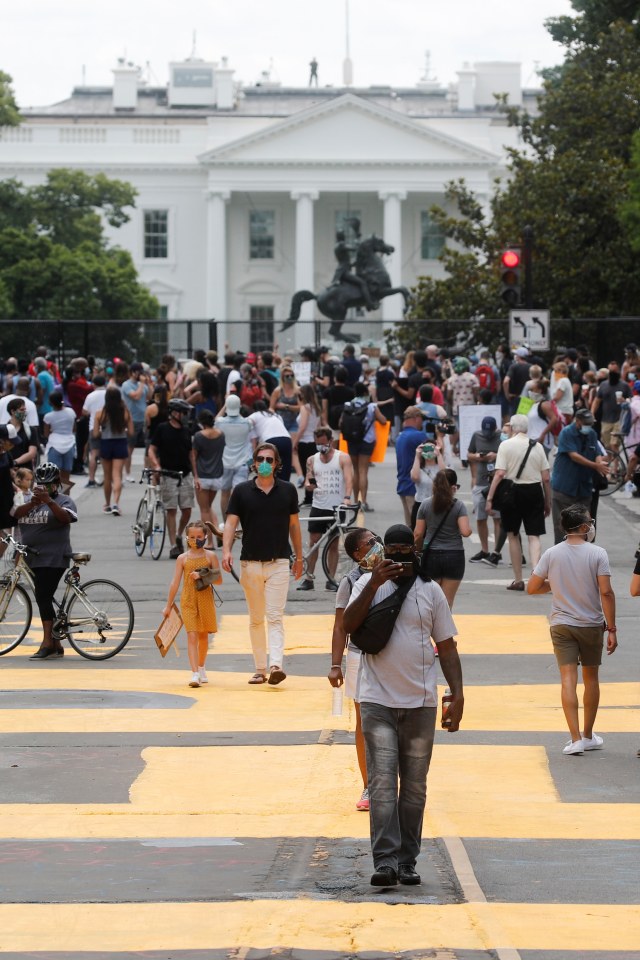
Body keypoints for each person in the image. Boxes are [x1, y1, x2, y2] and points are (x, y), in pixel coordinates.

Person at [343, 523, 464, 887]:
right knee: (382, 785)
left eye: (403, 549)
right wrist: (376, 584)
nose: (397, 556)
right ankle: (385, 861)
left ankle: (407, 861)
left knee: (414, 788)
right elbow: (348, 625)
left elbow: (448, 644)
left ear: (414, 550)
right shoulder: (367, 584)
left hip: (421, 703)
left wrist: (457, 694)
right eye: (391, 550)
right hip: (377, 699)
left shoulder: (431, 592)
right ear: (383, 551)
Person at [527, 503, 617, 755]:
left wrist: (555, 585)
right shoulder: (598, 554)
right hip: (590, 624)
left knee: (568, 679)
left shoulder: (552, 554)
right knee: (591, 679)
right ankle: (588, 734)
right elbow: (606, 592)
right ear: (585, 527)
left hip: (561, 624)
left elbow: (532, 587)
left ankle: (575, 737)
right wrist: (612, 628)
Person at [222, 442, 303, 685]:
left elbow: (295, 526)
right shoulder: (241, 491)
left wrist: (299, 557)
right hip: (250, 564)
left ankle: (276, 664)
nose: (264, 464)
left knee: (275, 616)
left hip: (278, 562)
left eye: (269, 459)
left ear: (277, 464)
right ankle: (260, 668)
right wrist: (226, 550)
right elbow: (230, 523)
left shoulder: (288, 490)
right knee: (256, 618)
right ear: (253, 463)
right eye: (260, 459)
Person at [328, 526, 383, 812]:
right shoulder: (350, 582)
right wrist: (336, 665)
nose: (378, 545)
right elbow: (340, 627)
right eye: (371, 543)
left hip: (390, 657)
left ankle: (388, 781)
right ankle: (369, 785)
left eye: (377, 540)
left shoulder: (395, 573)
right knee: (365, 724)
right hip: (359, 658)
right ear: (357, 553)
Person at [11, 462, 77, 660]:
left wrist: (49, 501)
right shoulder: (30, 501)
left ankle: (47, 642)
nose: (44, 488)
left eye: (49, 484)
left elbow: (66, 519)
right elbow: (14, 515)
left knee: (42, 596)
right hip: (33, 557)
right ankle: (56, 643)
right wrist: (32, 503)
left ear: (57, 484)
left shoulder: (65, 501)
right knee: (45, 597)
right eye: (41, 484)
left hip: (54, 557)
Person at [485, 413, 551, 591]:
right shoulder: (537, 447)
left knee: (513, 535)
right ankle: (535, 575)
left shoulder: (505, 445)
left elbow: (499, 474)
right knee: (534, 535)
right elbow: (546, 478)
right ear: (527, 428)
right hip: (534, 491)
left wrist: (490, 498)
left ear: (512, 428)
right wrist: (548, 501)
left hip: (511, 492)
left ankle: (518, 579)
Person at [163, 519, 218, 688]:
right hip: (188, 600)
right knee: (192, 634)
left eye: (199, 536)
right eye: (192, 537)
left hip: (205, 598)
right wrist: (168, 604)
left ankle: (201, 666)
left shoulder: (211, 556)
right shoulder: (182, 558)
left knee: (203, 636)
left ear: (205, 536)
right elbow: (175, 582)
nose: (196, 540)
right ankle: (194, 673)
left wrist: (202, 575)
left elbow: (219, 579)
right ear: (187, 538)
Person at [297, 426, 353, 592]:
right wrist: (308, 486)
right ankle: (309, 578)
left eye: (323, 443)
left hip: (336, 507)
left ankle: (331, 578)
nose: (321, 447)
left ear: (330, 441)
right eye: (317, 443)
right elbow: (309, 479)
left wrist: (347, 498)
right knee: (314, 542)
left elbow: (349, 480)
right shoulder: (312, 460)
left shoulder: (342, 458)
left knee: (333, 544)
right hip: (318, 505)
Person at [414, 469, 472, 609]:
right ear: (454, 486)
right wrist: (470, 530)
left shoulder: (425, 504)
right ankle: (443, 630)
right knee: (447, 602)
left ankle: (429, 629)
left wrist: (417, 551)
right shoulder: (458, 505)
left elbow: (418, 533)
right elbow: (465, 532)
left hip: (431, 556)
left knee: (430, 600)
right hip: (454, 555)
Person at [550, 409, 609, 543]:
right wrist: (595, 466)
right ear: (577, 421)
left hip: (584, 488)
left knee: (584, 525)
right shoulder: (566, 433)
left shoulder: (592, 434)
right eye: (586, 423)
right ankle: (562, 557)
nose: (588, 426)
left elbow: (597, 452)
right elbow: (574, 456)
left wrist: (600, 463)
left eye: (590, 423)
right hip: (564, 487)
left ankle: (583, 556)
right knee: (562, 526)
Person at [149, 398, 195, 558]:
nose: (186, 416)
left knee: (187, 510)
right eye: (184, 413)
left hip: (186, 475)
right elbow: (152, 449)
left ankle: (179, 534)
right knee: (171, 510)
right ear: (175, 413)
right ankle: (174, 545)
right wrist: (156, 465)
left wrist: (196, 475)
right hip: (168, 475)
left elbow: (191, 454)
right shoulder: (162, 428)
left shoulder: (186, 430)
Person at [341, 382, 387, 512]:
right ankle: (364, 502)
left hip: (351, 440)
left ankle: (355, 501)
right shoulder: (371, 406)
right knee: (363, 471)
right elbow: (383, 420)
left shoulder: (348, 405)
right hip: (367, 441)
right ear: (366, 393)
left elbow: (341, 422)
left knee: (355, 470)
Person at [93, 386, 133, 516]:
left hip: (106, 443)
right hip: (120, 443)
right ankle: (116, 503)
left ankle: (108, 504)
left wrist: (102, 430)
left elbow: (95, 434)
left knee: (107, 476)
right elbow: (132, 432)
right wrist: (124, 429)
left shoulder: (100, 413)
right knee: (117, 475)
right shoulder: (125, 412)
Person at [467, 416, 502, 564]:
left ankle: (497, 551)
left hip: (498, 482)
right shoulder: (477, 435)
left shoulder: (502, 437)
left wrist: (496, 455)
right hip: (481, 481)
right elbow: (469, 454)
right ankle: (484, 550)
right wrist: (478, 456)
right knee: (481, 518)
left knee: (497, 518)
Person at [190, 410, 224, 544]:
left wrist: (195, 476)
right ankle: (218, 533)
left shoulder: (198, 436)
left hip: (202, 476)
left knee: (204, 509)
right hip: (217, 476)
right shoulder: (221, 435)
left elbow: (194, 457)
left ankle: (209, 541)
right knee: (209, 506)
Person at [215, 394, 252, 515]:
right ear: (239, 407)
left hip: (225, 463)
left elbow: (217, 418)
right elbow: (244, 420)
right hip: (242, 463)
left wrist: (225, 406)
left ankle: (227, 524)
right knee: (239, 494)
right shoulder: (247, 423)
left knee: (225, 493)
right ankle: (237, 523)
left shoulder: (220, 423)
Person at [395, 406, 427, 526]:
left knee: (410, 526)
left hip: (403, 484)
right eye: (421, 419)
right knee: (419, 527)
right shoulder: (418, 436)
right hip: (414, 487)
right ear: (416, 418)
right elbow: (434, 454)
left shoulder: (400, 436)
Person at [247, 402, 295, 482]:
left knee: (268, 467)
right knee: (285, 467)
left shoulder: (256, 414)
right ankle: (285, 487)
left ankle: (269, 487)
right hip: (286, 439)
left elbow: (247, 423)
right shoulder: (276, 415)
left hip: (270, 440)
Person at [292, 383, 322, 499]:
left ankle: (308, 497)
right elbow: (318, 427)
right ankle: (311, 495)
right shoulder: (316, 408)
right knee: (313, 470)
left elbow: (302, 427)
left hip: (305, 442)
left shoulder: (305, 408)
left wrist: (295, 442)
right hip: (313, 442)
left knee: (307, 471)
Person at [592, 362, 630, 450]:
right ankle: (610, 462)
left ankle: (616, 464)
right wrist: (592, 412)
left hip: (619, 418)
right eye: (611, 371)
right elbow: (597, 400)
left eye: (615, 370)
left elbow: (631, 400)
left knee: (614, 444)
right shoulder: (603, 385)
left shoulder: (624, 385)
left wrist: (624, 401)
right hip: (606, 419)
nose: (613, 373)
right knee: (607, 444)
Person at [409, 435, 446, 528]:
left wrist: (439, 454)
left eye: (431, 448)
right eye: (426, 448)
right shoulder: (418, 468)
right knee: (418, 535)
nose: (428, 451)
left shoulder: (440, 467)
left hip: (438, 505)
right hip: (420, 504)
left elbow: (444, 477)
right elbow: (415, 477)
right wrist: (417, 456)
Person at [42, 390, 76, 487]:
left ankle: (55, 498)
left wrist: (53, 431)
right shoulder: (71, 412)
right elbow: (74, 428)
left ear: (50, 403)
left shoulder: (48, 416)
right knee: (66, 476)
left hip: (55, 445)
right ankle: (66, 498)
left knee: (54, 475)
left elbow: (46, 434)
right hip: (70, 444)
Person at [82, 375, 107, 487]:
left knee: (94, 454)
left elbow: (84, 412)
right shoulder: (109, 395)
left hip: (94, 428)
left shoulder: (90, 396)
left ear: (94, 384)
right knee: (106, 455)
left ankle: (91, 480)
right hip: (107, 429)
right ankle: (107, 479)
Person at [7, 398, 38, 473]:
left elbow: (32, 453)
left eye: (25, 410)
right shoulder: (4, 430)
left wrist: (14, 462)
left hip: (25, 472)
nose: (25, 412)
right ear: (13, 411)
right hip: (6, 471)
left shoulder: (30, 430)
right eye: (21, 410)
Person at [503, 347, 531, 415]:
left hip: (515, 398)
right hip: (528, 399)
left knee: (514, 421)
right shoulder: (531, 367)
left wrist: (507, 395)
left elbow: (506, 381)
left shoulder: (513, 367)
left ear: (518, 356)